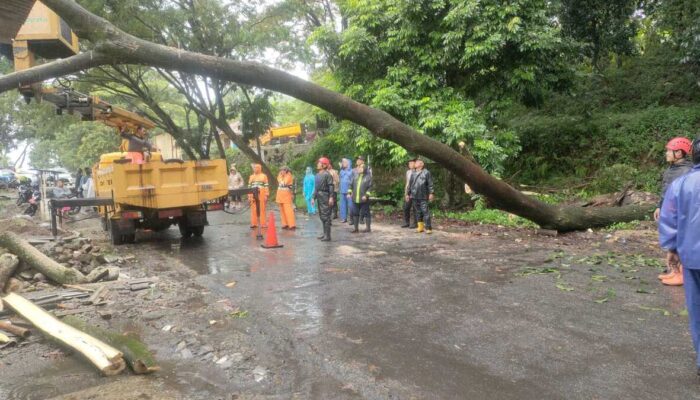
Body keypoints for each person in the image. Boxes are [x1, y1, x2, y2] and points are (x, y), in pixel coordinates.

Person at [658, 137, 700, 377]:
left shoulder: (683, 183)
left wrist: (671, 249)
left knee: (697, 310)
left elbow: (670, 218)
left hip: (692, 257)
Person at [656, 137, 693, 286]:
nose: (666, 153)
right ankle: (675, 271)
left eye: (669, 151)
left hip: (681, 212)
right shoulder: (671, 169)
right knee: (672, 241)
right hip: (669, 210)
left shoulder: (686, 171)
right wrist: (659, 206)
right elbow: (665, 191)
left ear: (679, 153)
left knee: (681, 241)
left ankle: (683, 274)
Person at [409, 158, 435, 234]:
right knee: (417, 212)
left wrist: (431, 193)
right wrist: (408, 193)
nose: (415, 163)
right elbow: (410, 185)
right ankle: (420, 227)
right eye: (415, 162)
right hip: (414, 195)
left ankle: (428, 227)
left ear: (421, 164)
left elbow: (430, 184)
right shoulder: (413, 173)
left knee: (425, 211)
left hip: (423, 195)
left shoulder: (426, 172)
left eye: (417, 162)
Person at [312, 157, 335, 241]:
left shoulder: (327, 175)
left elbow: (331, 186)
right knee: (322, 216)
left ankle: (328, 236)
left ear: (324, 165)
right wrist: (313, 198)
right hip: (319, 196)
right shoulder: (317, 175)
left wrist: (331, 197)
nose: (318, 164)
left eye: (319, 163)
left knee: (326, 216)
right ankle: (324, 233)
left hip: (325, 196)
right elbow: (316, 188)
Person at [347, 164, 372, 233]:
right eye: (358, 167)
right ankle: (356, 229)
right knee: (355, 213)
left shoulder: (368, 177)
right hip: (355, 199)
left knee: (366, 213)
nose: (359, 168)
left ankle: (368, 228)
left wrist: (366, 196)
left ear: (364, 169)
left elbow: (370, 188)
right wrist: (349, 193)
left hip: (364, 200)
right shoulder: (355, 176)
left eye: (361, 167)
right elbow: (350, 185)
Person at [248, 163, 269, 228]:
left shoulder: (264, 176)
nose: (255, 169)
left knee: (262, 209)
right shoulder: (251, 176)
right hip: (253, 194)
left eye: (256, 168)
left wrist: (266, 195)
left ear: (259, 168)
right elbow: (249, 187)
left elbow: (266, 186)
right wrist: (249, 196)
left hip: (261, 194)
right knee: (253, 209)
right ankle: (254, 223)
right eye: (254, 168)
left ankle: (263, 223)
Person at [401, 159, 417, 228]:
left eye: (411, 163)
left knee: (415, 208)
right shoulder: (408, 172)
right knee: (406, 207)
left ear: (415, 164)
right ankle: (406, 222)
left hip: (415, 192)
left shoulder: (418, 172)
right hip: (408, 192)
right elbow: (407, 183)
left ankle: (415, 223)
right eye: (409, 163)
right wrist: (405, 193)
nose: (409, 165)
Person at [339, 158, 353, 223]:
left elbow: (353, 181)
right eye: (342, 162)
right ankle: (344, 218)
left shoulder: (351, 171)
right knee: (343, 205)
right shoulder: (341, 171)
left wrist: (351, 191)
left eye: (344, 162)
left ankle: (352, 218)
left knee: (351, 205)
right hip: (342, 190)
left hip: (349, 191)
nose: (343, 163)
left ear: (348, 163)